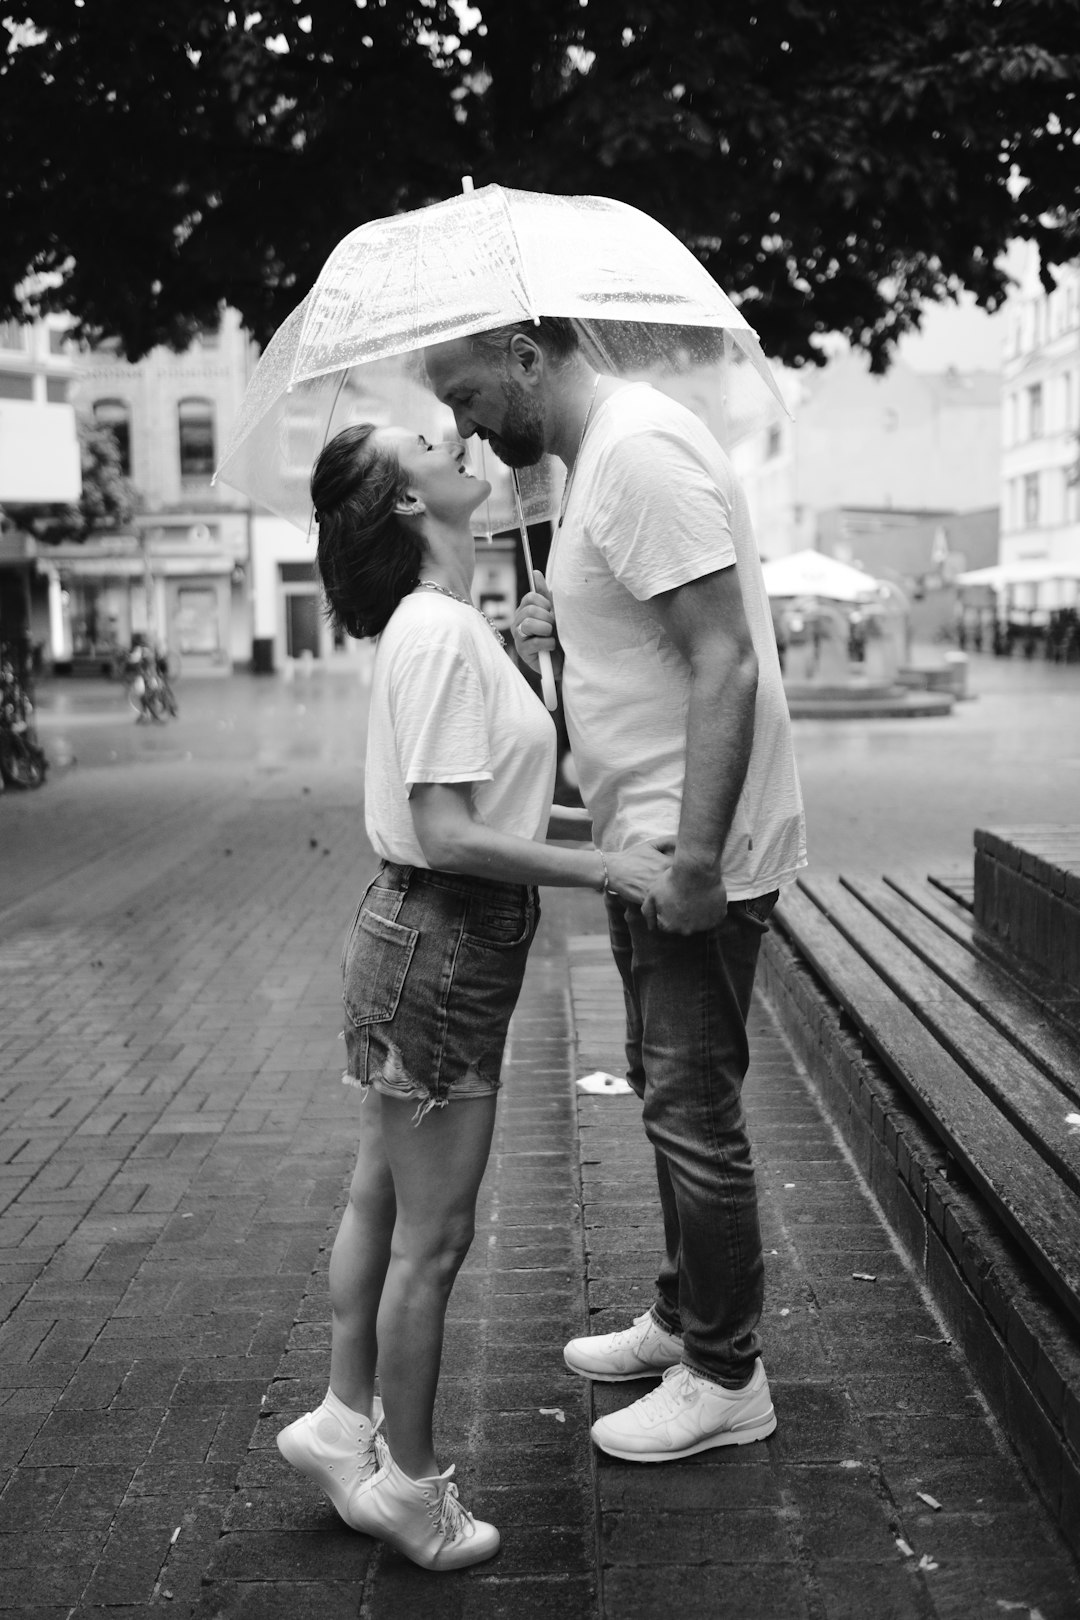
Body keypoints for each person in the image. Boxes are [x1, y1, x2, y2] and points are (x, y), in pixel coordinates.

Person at [275, 422, 670, 1568]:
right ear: (408, 501)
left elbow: (485, 804)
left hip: (411, 940)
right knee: (432, 1243)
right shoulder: (441, 634)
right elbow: (452, 833)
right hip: (443, 948)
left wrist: (530, 659)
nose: (455, 437)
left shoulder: (444, 627)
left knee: (380, 1204)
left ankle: (343, 1422)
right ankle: (408, 1487)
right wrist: (605, 865)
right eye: (423, 442)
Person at [427, 321, 807, 1464]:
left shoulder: (635, 452)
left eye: (468, 392)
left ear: (527, 357)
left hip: (693, 851)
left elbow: (724, 660)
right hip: (645, 843)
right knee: (663, 1086)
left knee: (692, 1108)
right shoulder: (588, 465)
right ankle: (687, 1318)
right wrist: (559, 632)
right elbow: (647, 649)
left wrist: (695, 864)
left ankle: (726, 1374)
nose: (464, 426)